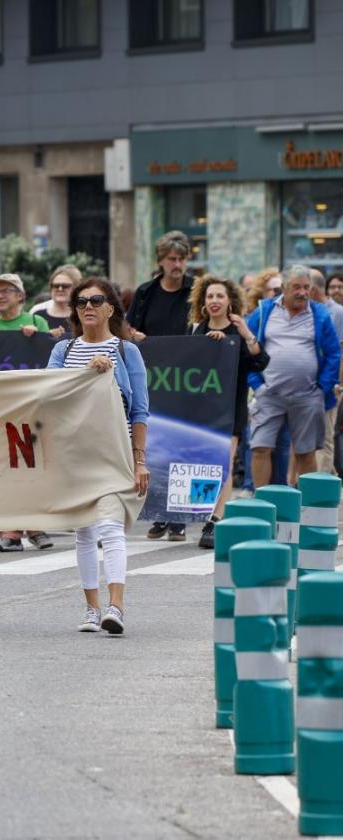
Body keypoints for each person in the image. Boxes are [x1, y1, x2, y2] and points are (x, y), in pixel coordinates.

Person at [47, 278, 149, 635]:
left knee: (110, 525)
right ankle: (92, 609)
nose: (87, 307)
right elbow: (48, 396)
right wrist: (87, 374)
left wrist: (139, 459)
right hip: (74, 451)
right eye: (80, 302)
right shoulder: (62, 351)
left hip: (114, 450)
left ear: (111, 309)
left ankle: (115, 607)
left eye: (95, 300)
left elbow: (139, 411)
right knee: (85, 530)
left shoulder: (126, 351)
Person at [0, 274, 54, 552]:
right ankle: (10, 532)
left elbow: (52, 348)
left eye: (7, 290)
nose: (1, 295)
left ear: (21, 296)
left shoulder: (35, 321)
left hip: (31, 410)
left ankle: (36, 526)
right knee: (4, 469)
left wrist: (41, 337)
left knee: (32, 467)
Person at [186, 276, 269, 549]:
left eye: (219, 296)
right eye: (209, 296)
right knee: (205, 464)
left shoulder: (237, 333)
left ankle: (216, 518)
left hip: (231, 409)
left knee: (225, 462)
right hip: (202, 412)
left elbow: (260, 361)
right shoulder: (197, 331)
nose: (214, 301)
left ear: (229, 300)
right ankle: (205, 512)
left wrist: (243, 334)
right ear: (203, 301)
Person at [127, 230, 195, 541]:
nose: (177, 264)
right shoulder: (145, 293)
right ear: (161, 261)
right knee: (155, 448)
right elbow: (130, 329)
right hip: (152, 379)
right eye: (171, 259)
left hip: (186, 380)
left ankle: (179, 517)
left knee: (182, 448)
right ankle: (158, 514)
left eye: (181, 259)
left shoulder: (195, 291)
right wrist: (136, 337)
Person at [246, 264, 341, 488]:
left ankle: (307, 508)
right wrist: (257, 385)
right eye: (296, 287)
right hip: (269, 393)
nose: (302, 292)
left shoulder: (320, 315)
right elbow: (247, 348)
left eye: (306, 287)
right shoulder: (264, 311)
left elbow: (333, 353)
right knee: (260, 448)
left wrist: (322, 389)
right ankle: (262, 502)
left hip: (307, 395)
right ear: (285, 287)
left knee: (306, 452)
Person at [309, 268, 343, 475]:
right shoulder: (308, 310)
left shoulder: (337, 313)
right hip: (308, 385)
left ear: (313, 288)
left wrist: (337, 383)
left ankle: (320, 486)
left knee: (325, 437)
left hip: (330, 384)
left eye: (305, 286)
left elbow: (339, 350)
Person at [32, 264, 79, 336]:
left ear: (75, 288)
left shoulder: (82, 315)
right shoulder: (37, 314)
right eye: (56, 286)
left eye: (65, 286)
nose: (60, 289)